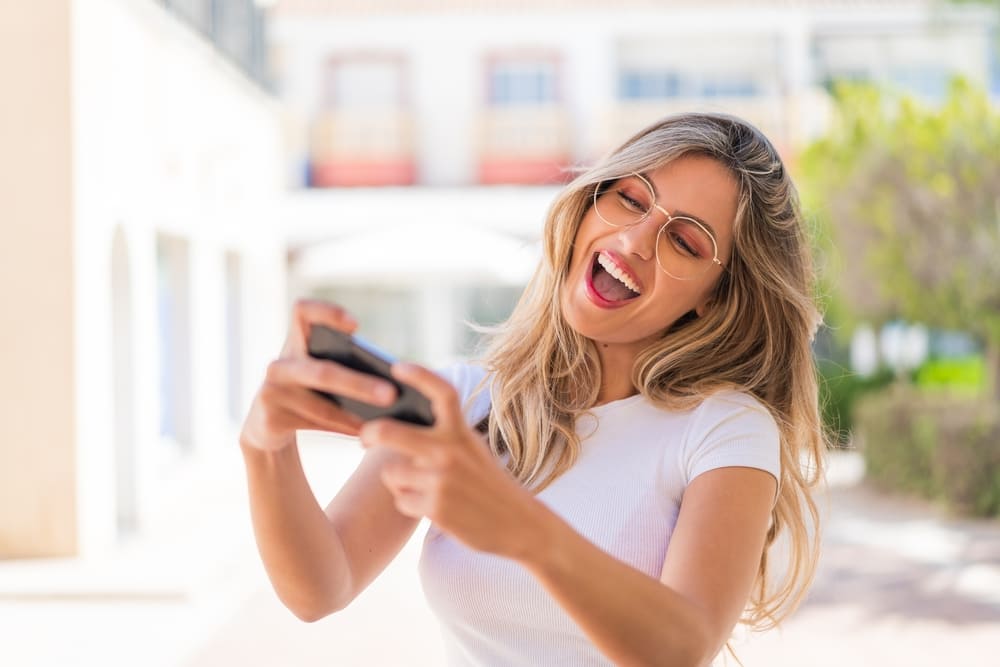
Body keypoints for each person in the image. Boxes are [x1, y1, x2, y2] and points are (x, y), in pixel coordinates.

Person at [239, 112, 827, 666]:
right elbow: (320, 587)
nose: (635, 241)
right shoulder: (464, 401)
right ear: (591, 203)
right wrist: (266, 449)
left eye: (685, 242)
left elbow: (684, 647)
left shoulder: (725, 427)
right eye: (629, 199)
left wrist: (522, 529)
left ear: (714, 298)